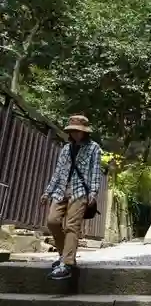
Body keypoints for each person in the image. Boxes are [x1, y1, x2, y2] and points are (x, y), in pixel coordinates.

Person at [40, 115, 102, 280]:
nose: (75, 133)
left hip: (80, 191)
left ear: (85, 132)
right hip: (60, 191)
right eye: (73, 130)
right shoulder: (66, 149)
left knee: (72, 226)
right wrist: (47, 192)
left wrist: (93, 193)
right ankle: (64, 255)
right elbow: (58, 172)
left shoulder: (94, 148)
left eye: (78, 131)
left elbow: (95, 172)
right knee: (52, 221)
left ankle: (66, 264)